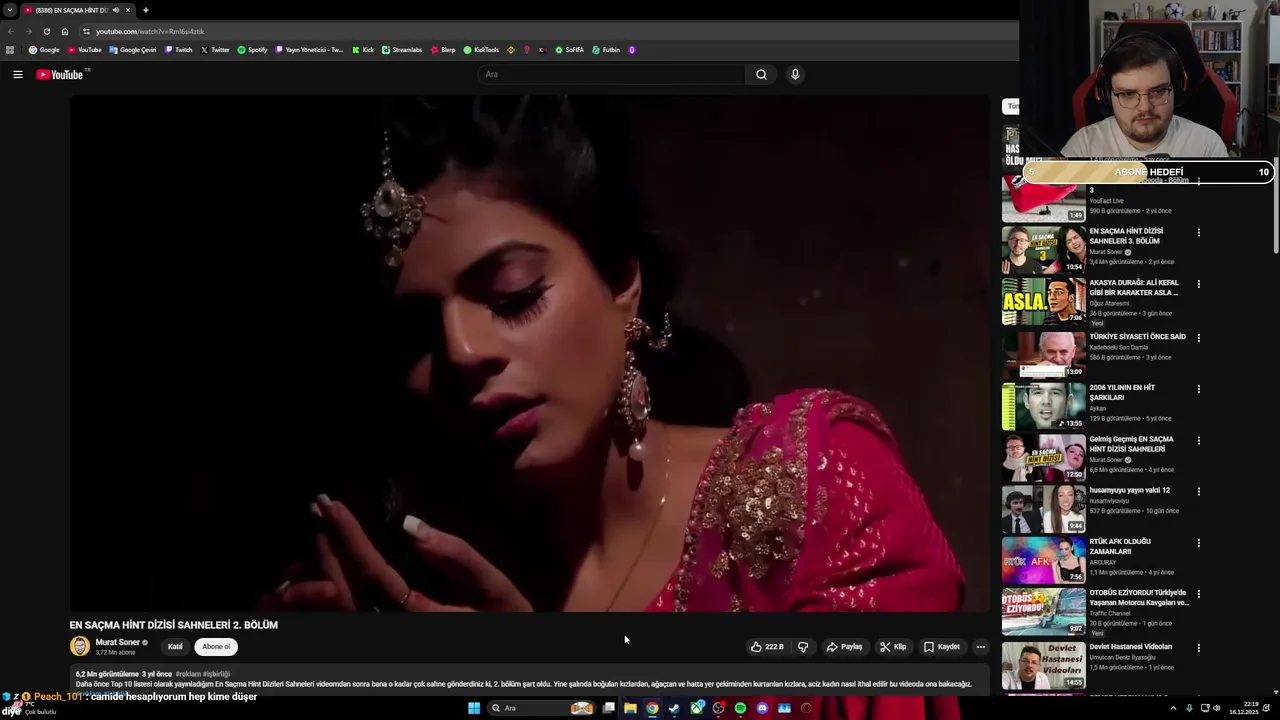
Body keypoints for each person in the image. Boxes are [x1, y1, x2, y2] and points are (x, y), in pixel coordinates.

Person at [258, 96, 964, 719]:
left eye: (514, 296)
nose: (463, 351)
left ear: (623, 282)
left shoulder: (815, 494)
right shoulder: (389, 584)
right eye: (417, 334)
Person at [1061, 35, 1227, 158]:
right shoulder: (1083, 147)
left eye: (1158, 91)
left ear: (1176, 89)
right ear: (1106, 96)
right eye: (1128, 94)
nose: (1145, 107)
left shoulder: (1207, 146)